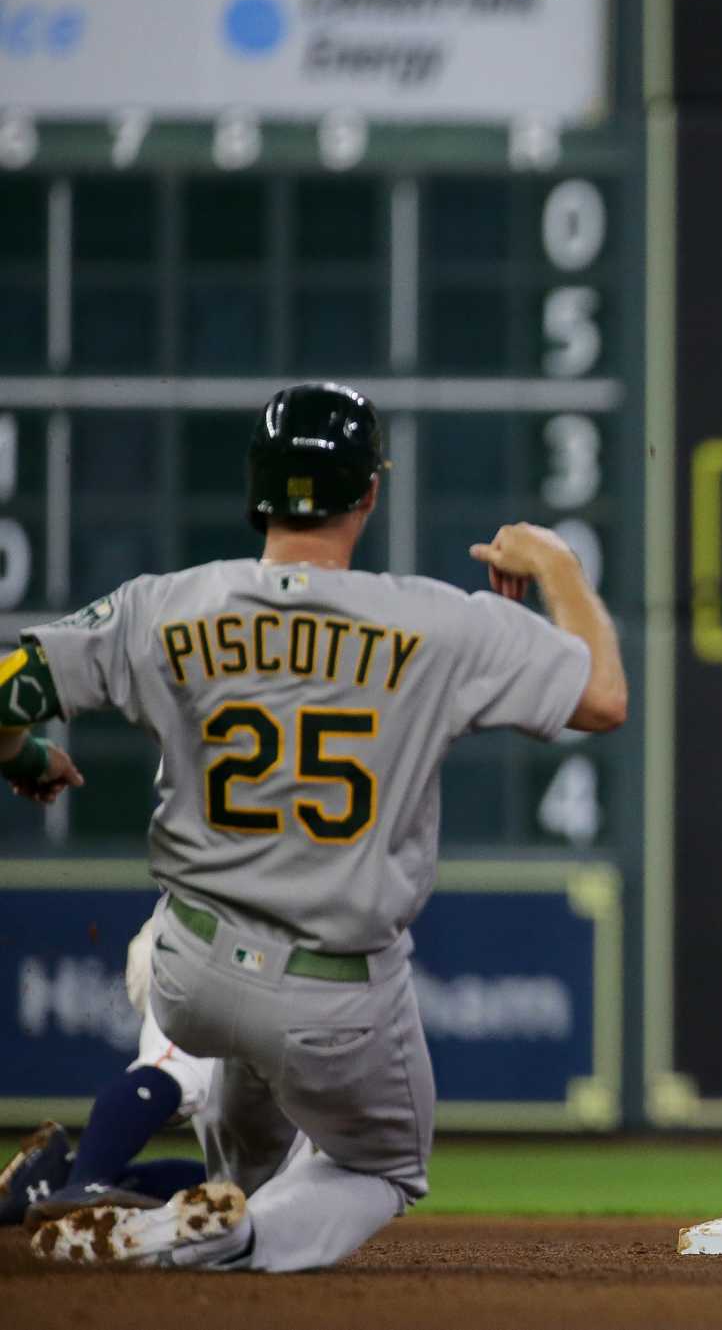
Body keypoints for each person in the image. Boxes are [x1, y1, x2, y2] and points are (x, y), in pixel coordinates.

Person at [2, 381, 628, 1270]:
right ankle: (233, 1238)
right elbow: (604, 697)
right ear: (369, 493)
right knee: (382, 1164)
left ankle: (154, 1199)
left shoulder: (163, 605)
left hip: (193, 967)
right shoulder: (436, 622)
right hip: (333, 995)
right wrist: (559, 565)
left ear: (255, 489)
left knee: (250, 1157)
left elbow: (5, 689)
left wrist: (23, 758)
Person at [0, 914, 219, 1231]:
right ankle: (85, 1183)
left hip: (267, 955)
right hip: (206, 939)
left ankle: (54, 1181)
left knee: (261, 1187)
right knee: (178, 1066)